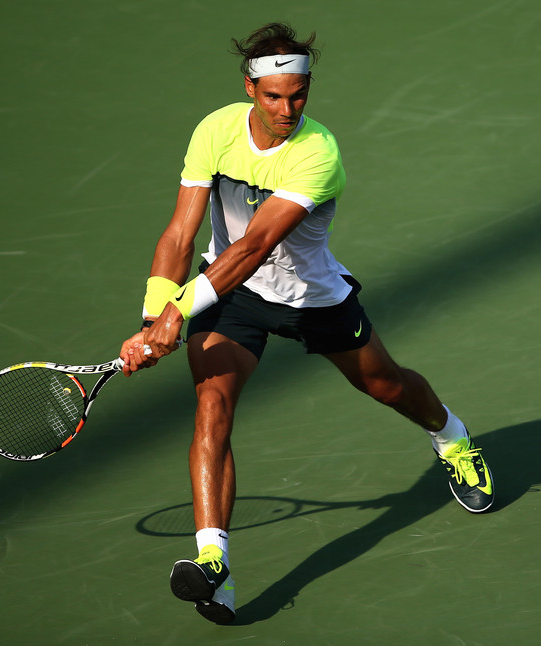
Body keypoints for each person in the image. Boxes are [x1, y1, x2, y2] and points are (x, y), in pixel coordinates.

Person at [118, 22, 493, 625]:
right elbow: (181, 232)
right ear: (250, 89)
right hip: (229, 298)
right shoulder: (215, 131)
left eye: (298, 96)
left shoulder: (319, 153)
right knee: (211, 408)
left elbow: (256, 245)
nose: (286, 109)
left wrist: (175, 315)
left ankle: (451, 436)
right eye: (273, 97)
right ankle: (214, 567)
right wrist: (151, 316)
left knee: (387, 385)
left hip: (310, 299)